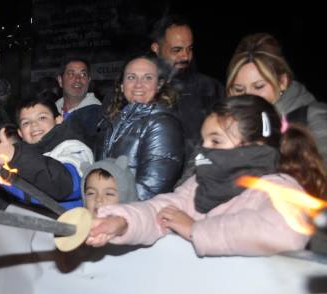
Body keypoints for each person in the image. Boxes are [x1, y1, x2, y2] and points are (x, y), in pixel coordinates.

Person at [87, 95, 309, 257]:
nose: (204, 150)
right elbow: (162, 209)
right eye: (204, 142)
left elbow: (288, 231)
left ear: (254, 145)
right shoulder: (200, 184)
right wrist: (121, 221)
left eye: (216, 141)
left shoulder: (280, 189)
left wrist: (195, 230)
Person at [226, 32, 327, 160]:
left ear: (282, 82)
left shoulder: (313, 118)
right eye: (239, 90)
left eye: (259, 86)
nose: (249, 97)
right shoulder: (225, 125)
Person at [97, 53, 185, 200]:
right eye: (131, 77)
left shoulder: (162, 125)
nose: (139, 84)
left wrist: (114, 210)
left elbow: (151, 189)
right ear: (121, 85)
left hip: (135, 217)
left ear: (159, 85)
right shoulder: (115, 121)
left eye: (148, 78)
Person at [150, 15, 224, 157]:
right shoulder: (142, 88)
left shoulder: (210, 88)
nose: (185, 56)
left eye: (189, 49)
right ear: (156, 48)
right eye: (176, 50)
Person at [55, 57, 104, 142]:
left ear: (88, 81)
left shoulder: (98, 117)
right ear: (60, 80)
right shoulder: (50, 111)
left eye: (83, 74)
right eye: (71, 74)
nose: (77, 79)